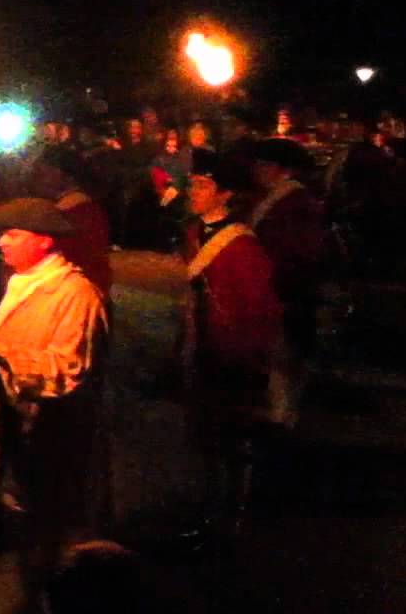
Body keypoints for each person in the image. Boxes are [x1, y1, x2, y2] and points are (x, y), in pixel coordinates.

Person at [0, 198, 109, 608]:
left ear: (44, 241)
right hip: (21, 433)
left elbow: (67, 372)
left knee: (57, 541)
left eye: (13, 233)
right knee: (31, 536)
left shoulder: (74, 294)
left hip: (52, 439)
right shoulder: (19, 281)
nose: (1, 242)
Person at [179, 149, 282, 545]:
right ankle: (207, 513)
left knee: (231, 442)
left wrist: (246, 356)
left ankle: (229, 521)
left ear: (224, 194)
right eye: (193, 184)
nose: (193, 192)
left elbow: (259, 311)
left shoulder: (242, 246)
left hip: (230, 357)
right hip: (200, 352)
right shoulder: (192, 233)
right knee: (205, 440)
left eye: (203, 185)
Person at [249, 139, 324, 417]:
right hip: (279, 291)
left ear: (281, 169)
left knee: (283, 365)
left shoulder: (293, 204)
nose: (257, 171)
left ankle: (281, 423)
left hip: (286, 293)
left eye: (263, 165)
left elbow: (295, 253)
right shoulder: (278, 199)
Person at [30, 148, 114, 297]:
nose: (40, 179)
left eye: (45, 173)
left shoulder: (72, 212)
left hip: (79, 290)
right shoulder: (82, 206)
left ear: (65, 175)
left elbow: (69, 256)